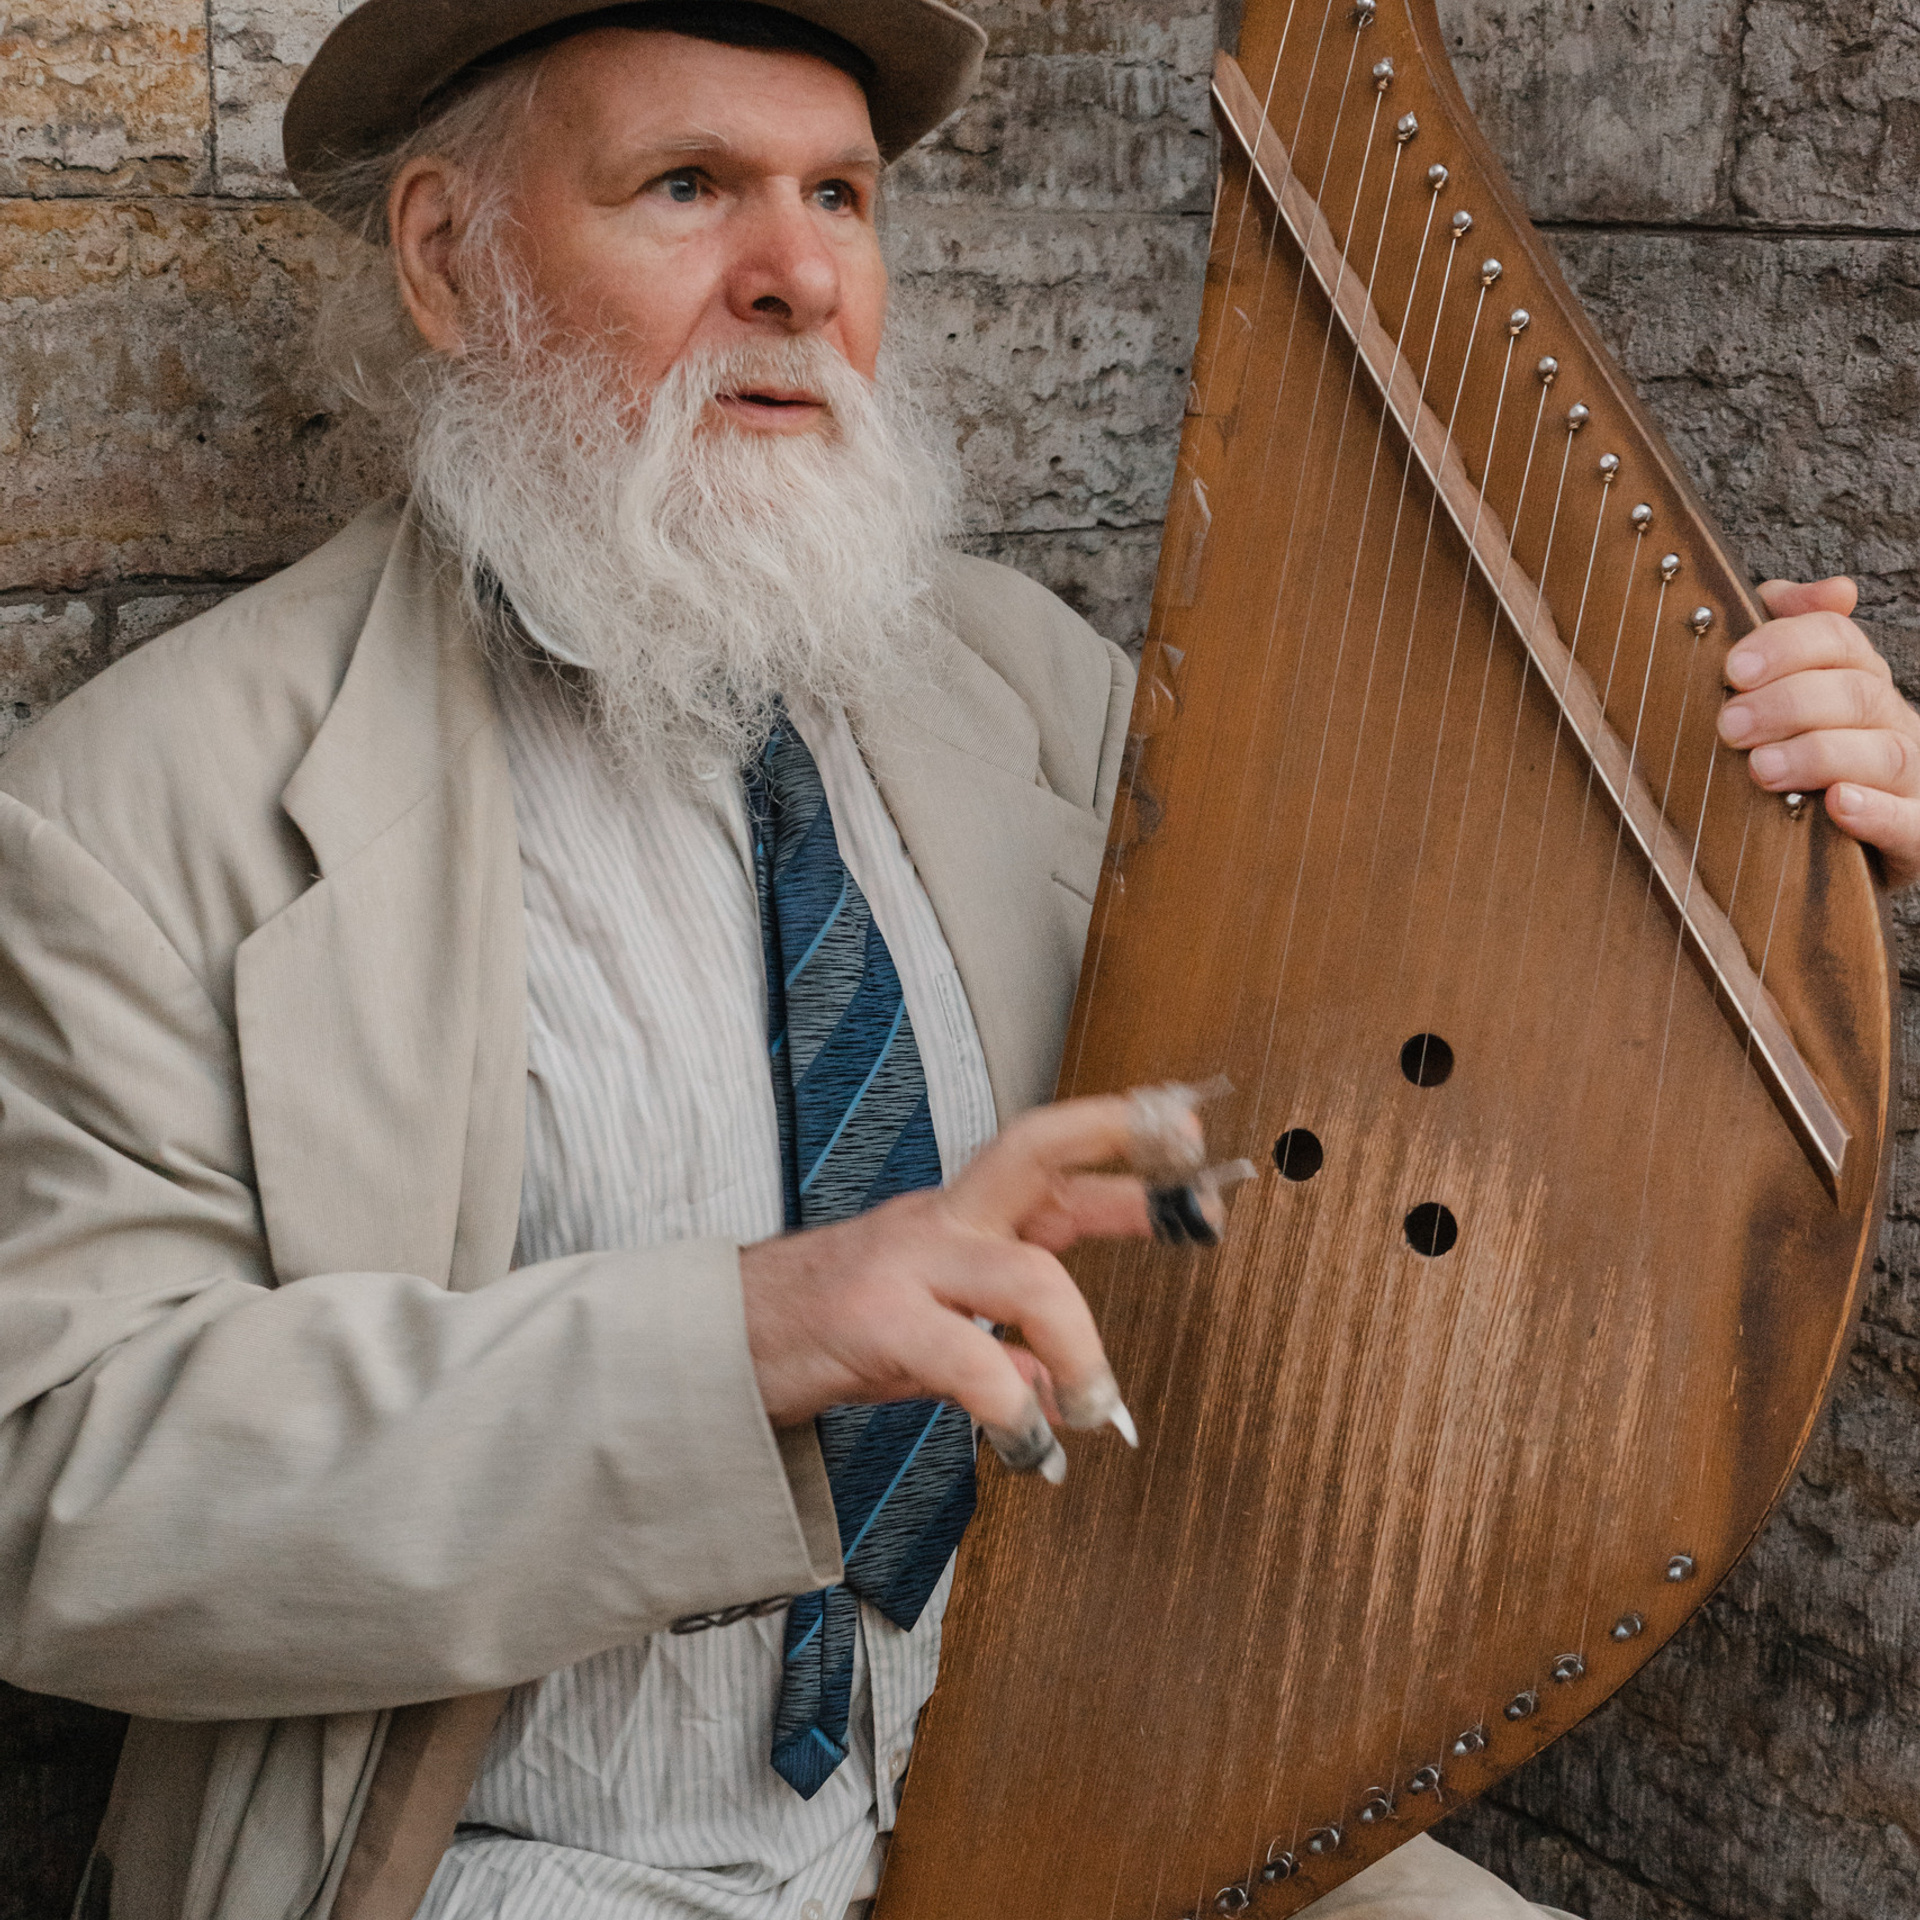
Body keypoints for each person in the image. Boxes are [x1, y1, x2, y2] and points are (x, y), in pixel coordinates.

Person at [0, 4, 1914, 1919]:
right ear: (447, 257)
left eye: (841, 195)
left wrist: (1752, 815)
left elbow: (1411, 1058)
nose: (802, 274)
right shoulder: (140, 807)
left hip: (1073, 1788)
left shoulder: (1018, 683)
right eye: (689, 188)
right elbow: (59, 1497)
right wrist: (754, 1334)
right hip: (506, 1860)